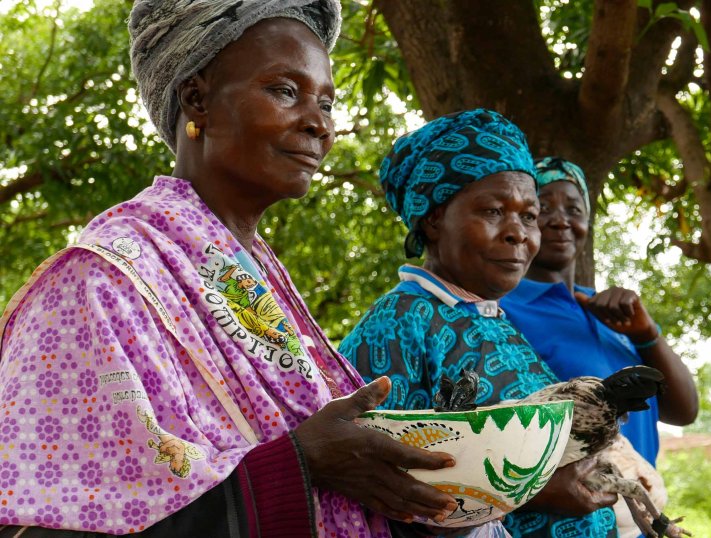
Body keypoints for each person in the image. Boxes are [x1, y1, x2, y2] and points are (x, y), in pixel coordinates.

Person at [0, 2, 459, 535]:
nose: (319, 124)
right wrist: (299, 464)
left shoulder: (254, 278)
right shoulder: (96, 281)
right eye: (285, 91)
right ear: (197, 99)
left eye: (327, 102)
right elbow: (39, 521)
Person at [339, 109, 620, 538]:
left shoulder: (495, 322)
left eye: (529, 215)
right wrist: (536, 489)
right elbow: (380, 483)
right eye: (493, 211)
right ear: (433, 219)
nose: (518, 233)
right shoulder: (399, 324)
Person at [500, 157, 698, 466]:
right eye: (543, 208)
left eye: (574, 209)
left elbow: (683, 411)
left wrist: (646, 336)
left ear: (587, 221)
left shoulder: (614, 313)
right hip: (573, 510)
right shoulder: (503, 311)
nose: (560, 220)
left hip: (641, 505)